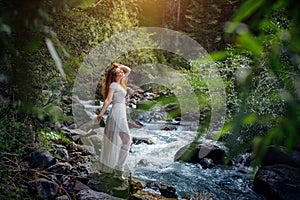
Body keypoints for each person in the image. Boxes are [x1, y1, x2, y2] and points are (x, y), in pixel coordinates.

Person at [96, 63, 131, 175]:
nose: (121, 73)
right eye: (118, 73)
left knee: (125, 141)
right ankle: (118, 168)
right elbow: (108, 100)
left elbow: (128, 70)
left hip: (121, 113)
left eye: (121, 72)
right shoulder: (113, 85)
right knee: (126, 140)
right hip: (117, 113)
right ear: (113, 76)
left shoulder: (120, 83)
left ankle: (118, 167)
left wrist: (118, 66)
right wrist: (101, 114)